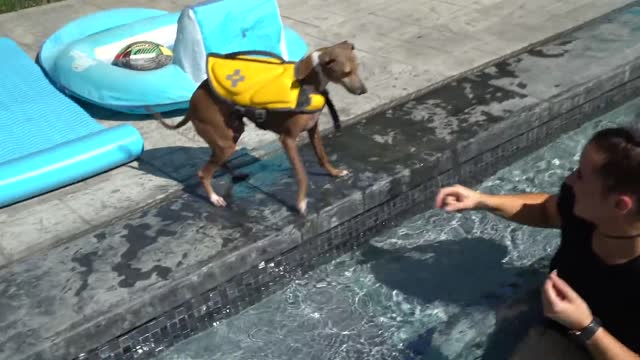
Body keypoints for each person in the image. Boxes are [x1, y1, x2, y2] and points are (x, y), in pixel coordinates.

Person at [435, 126, 640, 360]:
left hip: (605, 346)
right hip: (559, 317)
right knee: (449, 337)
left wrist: (586, 327)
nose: (570, 179)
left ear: (620, 205)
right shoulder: (583, 208)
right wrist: (483, 200)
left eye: (581, 175)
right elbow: (546, 210)